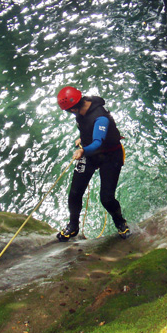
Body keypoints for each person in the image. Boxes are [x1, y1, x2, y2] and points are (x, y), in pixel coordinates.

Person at [56, 87, 130, 242]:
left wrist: (82, 151)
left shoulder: (100, 117)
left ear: (73, 108)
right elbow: (87, 128)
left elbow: (98, 142)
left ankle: (120, 222)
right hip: (90, 153)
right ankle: (73, 226)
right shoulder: (81, 109)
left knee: (106, 198)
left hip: (110, 155)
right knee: (75, 193)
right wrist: (83, 138)